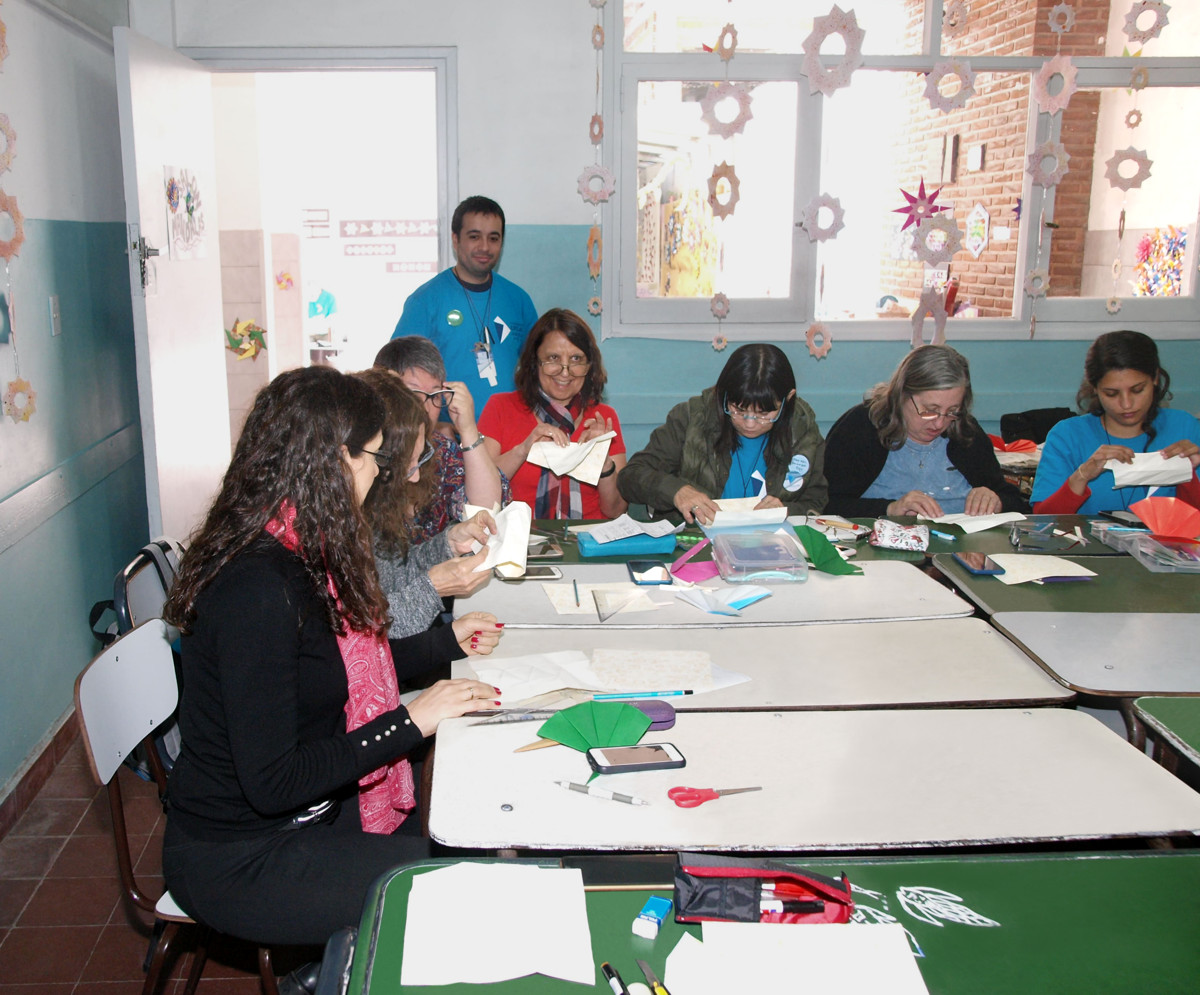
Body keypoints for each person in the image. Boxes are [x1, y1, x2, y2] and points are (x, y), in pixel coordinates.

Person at [161, 366, 504, 948]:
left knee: (473, 831)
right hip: (241, 854)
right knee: (465, 886)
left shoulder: (298, 544)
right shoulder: (259, 589)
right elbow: (274, 782)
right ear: (333, 460)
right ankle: (334, 972)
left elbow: (338, 669)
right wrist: (410, 722)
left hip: (303, 813)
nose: (378, 471)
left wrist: (444, 645)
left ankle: (326, 970)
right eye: (373, 456)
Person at [355, 367, 496, 639]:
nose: (415, 476)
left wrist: (448, 545)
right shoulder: (329, 528)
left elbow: (391, 577)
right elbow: (360, 636)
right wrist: (433, 589)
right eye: (407, 464)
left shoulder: (371, 508)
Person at [618, 343, 827, 524]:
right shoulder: (691, 419)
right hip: (695, 542)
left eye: (764, 414)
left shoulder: (802, 430)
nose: (749, 424)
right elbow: (631, 476)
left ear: (788, 399)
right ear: (723, 394)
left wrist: (786, 510)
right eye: (738, 410)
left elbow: (816, 500)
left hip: (770, 542)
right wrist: (677, 491)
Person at [824, 344, 1026, 518]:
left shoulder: (965, 431)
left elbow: (1017, 503)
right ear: (902, 394)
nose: (939, 423)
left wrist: (996, 501)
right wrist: (890, 509)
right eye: (930, 410)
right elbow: (825, 506)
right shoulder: (861, 428)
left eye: (952, 411)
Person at [392, 195, 537, 413]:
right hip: (448, 431)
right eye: (474, 237)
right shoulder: (425, 301)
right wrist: (437, 424)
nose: (484, 247)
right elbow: (394, 376)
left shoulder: (519, 300)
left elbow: (539, 367)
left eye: (493, 238)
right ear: (456, 239)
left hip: (507, 430)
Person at [478, 308, 628, 519]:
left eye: (576, 359)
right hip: (522, 534)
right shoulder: (500, 407)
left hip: (588, 535)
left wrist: (603, 462)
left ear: (589, 365)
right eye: (553, 358)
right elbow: (479, 496)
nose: (565, 372)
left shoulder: (602, 417)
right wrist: (523, 450)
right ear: (534, 362)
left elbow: (616, 510)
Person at [1031, 330, 1200, 514]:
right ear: (1094, 389)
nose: (1126, 404)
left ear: (1155, 379)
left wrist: (1188, 474)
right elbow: (1041, 520)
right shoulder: (1067, 436)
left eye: (1137, 390)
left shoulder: (1185, 428)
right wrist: (1081, 476)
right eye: (1111, 394)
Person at [374, 336, 508, 542]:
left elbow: (487, 510)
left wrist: (468, 430)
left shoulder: (441, 450)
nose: (424, 407)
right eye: (413, 393)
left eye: (435, 395)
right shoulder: (365, 450)